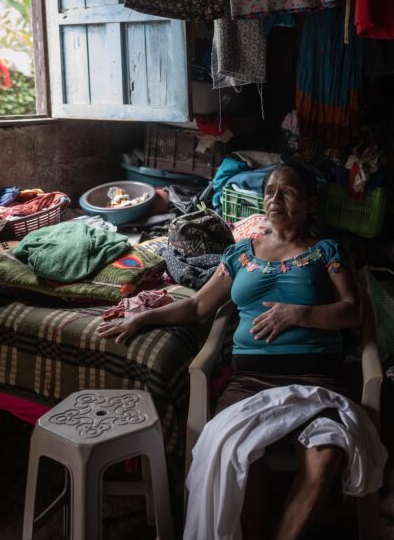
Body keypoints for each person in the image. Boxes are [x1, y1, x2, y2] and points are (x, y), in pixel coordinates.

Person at [97, 161, 361, 539]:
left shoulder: (326, 252)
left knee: (326, 455)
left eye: (287, 192)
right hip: (251, 380)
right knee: (239, 458)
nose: (275, 199)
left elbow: (353, 311)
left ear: (311, 204)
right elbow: (197, 306)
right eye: (270, 191)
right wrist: (142, 318)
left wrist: (299, 313)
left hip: (315, 376)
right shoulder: (240, 255)